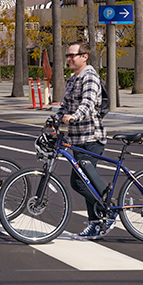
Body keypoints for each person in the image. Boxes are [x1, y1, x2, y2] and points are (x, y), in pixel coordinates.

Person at [56, 41, 116, 240]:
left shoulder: (89, 76)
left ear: (84, 56)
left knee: (80, 182)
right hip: (77, 138)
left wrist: (74, 117)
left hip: (91, 137)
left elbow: (88, 104)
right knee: (84, 181)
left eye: (73, 55)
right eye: (68, 55)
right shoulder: (72, 79)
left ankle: (108, 210)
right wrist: (55, 118)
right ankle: (95, 223)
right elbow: (65, 105)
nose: (69, 58)